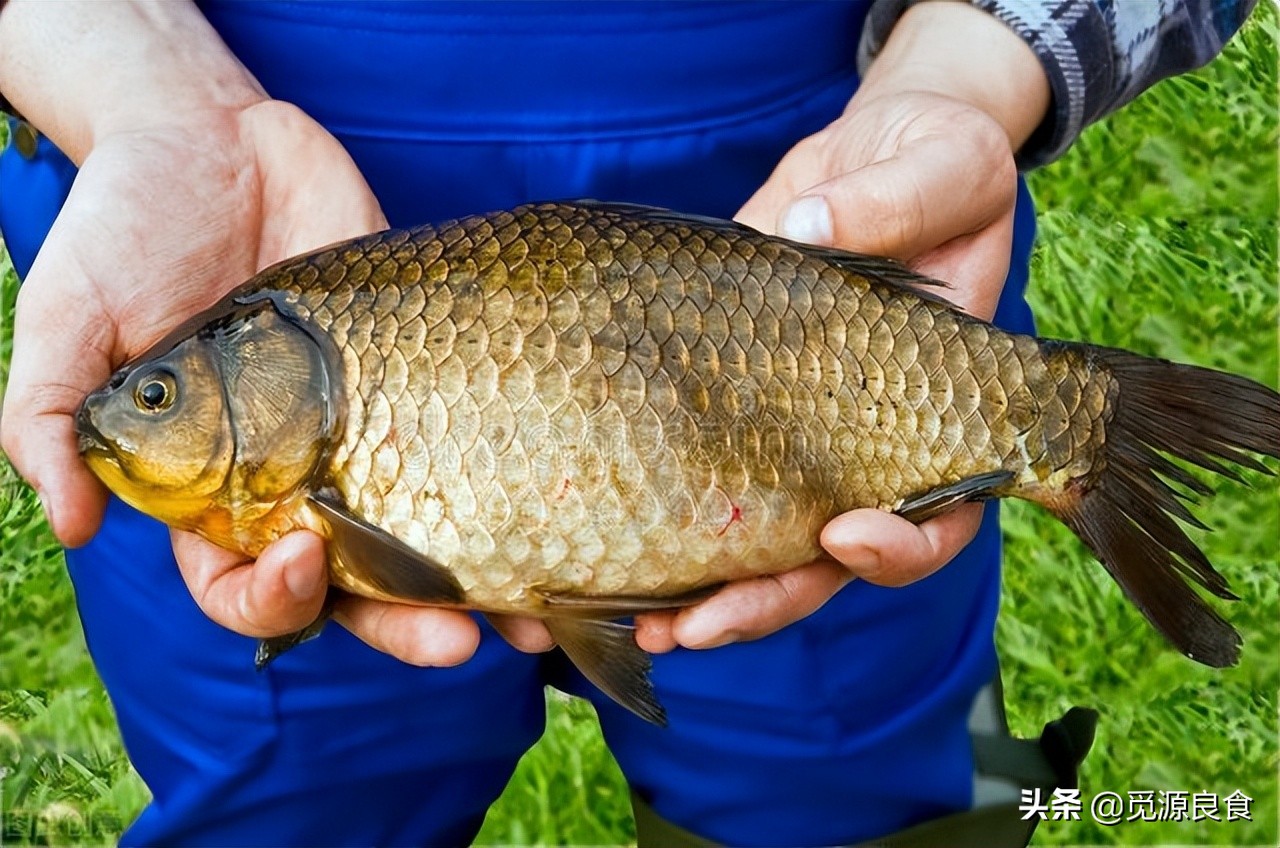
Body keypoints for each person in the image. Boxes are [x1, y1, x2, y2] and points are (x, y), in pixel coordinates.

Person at [0, 1, 1256, 845]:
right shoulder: (255, 397)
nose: (135, 409)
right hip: (220, 187)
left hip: (823, 186)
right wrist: (122, 77)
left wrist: (976, 58)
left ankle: (1079, 432)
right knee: (290, 801)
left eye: (158, 392)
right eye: (156, 396)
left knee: (858, 791)